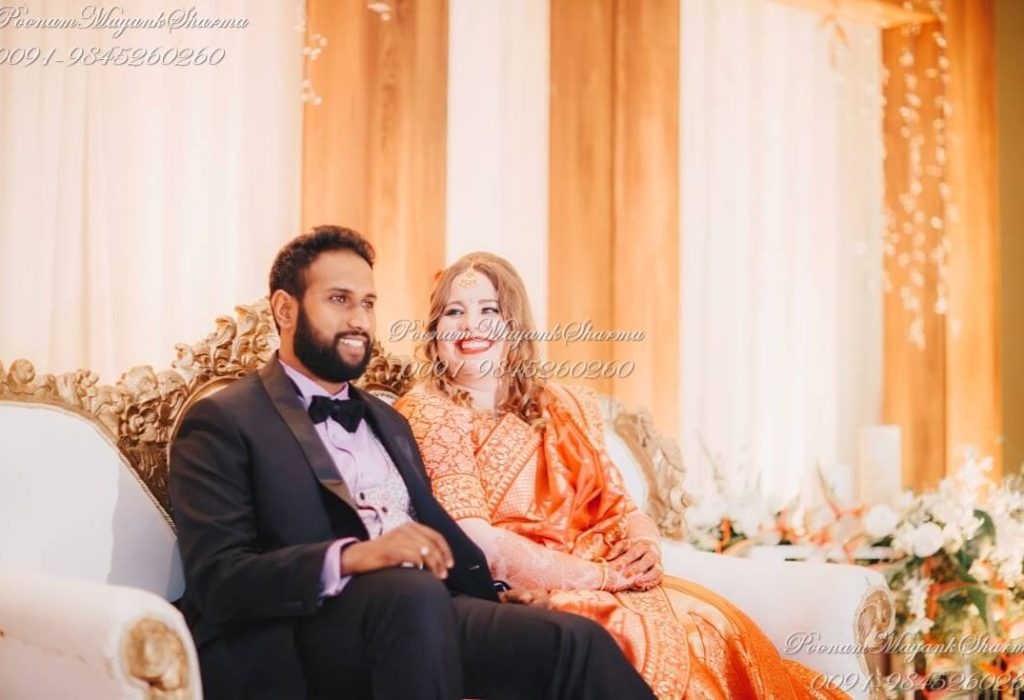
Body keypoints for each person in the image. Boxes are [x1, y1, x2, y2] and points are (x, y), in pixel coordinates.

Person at [169, 227, 657, 700]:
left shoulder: (388, 420)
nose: (359, 319)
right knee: (413, 596)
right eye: (339, 300)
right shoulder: (222, 420)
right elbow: (219, 581)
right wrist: (351, 557)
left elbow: (439, 536)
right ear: (285, 308)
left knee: (570, 638)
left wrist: (496, 595)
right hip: (303, 629)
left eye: (369, 303)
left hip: (422, 609)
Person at [394, 252, 851, 700]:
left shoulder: (560, 406)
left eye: (489, 310)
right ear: (435, 333)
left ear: (514, 326)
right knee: (650, 636)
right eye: (455, 311)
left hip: (607, 573)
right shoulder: (432, 409)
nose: (472, 325)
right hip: (519, 592)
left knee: (712, 623)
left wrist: (646, 547)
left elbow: (622, 507)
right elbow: (478, 542)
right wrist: (601, 577)